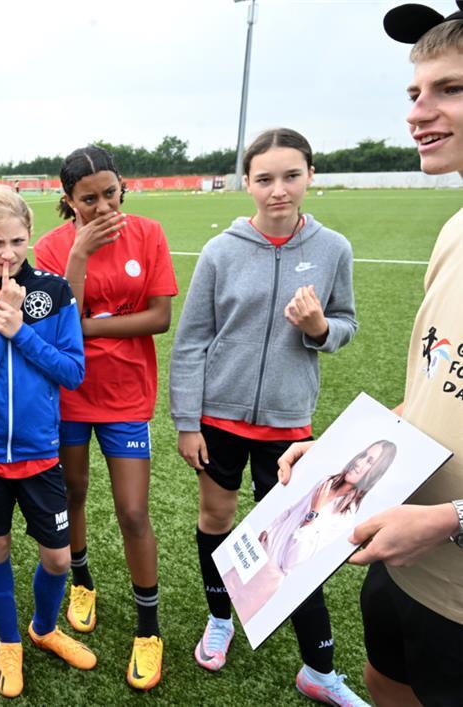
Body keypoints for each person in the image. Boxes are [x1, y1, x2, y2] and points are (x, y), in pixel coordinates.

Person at [279, 7, 463, 705]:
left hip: (454, 587)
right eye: (415, 92)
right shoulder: (454, 229)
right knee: (385, 685)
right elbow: (433, 394)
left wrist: (450, 520)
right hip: (401, 560)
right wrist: (336, 449)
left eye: (450, 89)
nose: (420, 111)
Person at [169, 128, 364, 705]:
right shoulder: (221, 251)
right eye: (264, 179)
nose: (278, 190)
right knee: (216, 519)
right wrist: (187, 421)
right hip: (219, 420)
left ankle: (320, 672)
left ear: (310, 177)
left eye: (290, 176)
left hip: (289, 427)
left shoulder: (334, 249)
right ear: (247, 183)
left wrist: (320, 330)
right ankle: (221, 618)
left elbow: (346, 323)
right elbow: (191, 342)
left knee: (298, 542)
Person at [34, 145, 178, 691]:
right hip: (68, 394)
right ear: (67, 200)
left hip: (126, 396)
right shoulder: (50, 247)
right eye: (87, 199)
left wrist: (89, 329)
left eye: (109, 193)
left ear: (123, 189)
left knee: (134, 510)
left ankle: (148, 629)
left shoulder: (148, 233)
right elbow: (51, 323)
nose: (101, 206)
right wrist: (78, 255)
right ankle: (82, 581)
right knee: (72, 492)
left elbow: (159, 318)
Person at [0, 187, 94, 698]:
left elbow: (73, 371)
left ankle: (44, 628)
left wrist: (21, 330)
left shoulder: (53, 292)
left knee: (56, 558)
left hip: (40, 453)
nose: (7, 253)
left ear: (30, 236)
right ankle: (10, 641)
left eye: (17, 240)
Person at [226, 440, 396, 623]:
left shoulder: (345, 516)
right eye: (363, 455)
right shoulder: (327, 482)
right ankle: (219, 619)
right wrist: (268, 530)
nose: (359, 462)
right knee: (225, 584)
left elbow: (292, 561)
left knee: (245, 611)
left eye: (369, 461)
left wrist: (313, 513)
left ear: (375, 473)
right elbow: (291, 510)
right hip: (256, 553)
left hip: (269, 575)